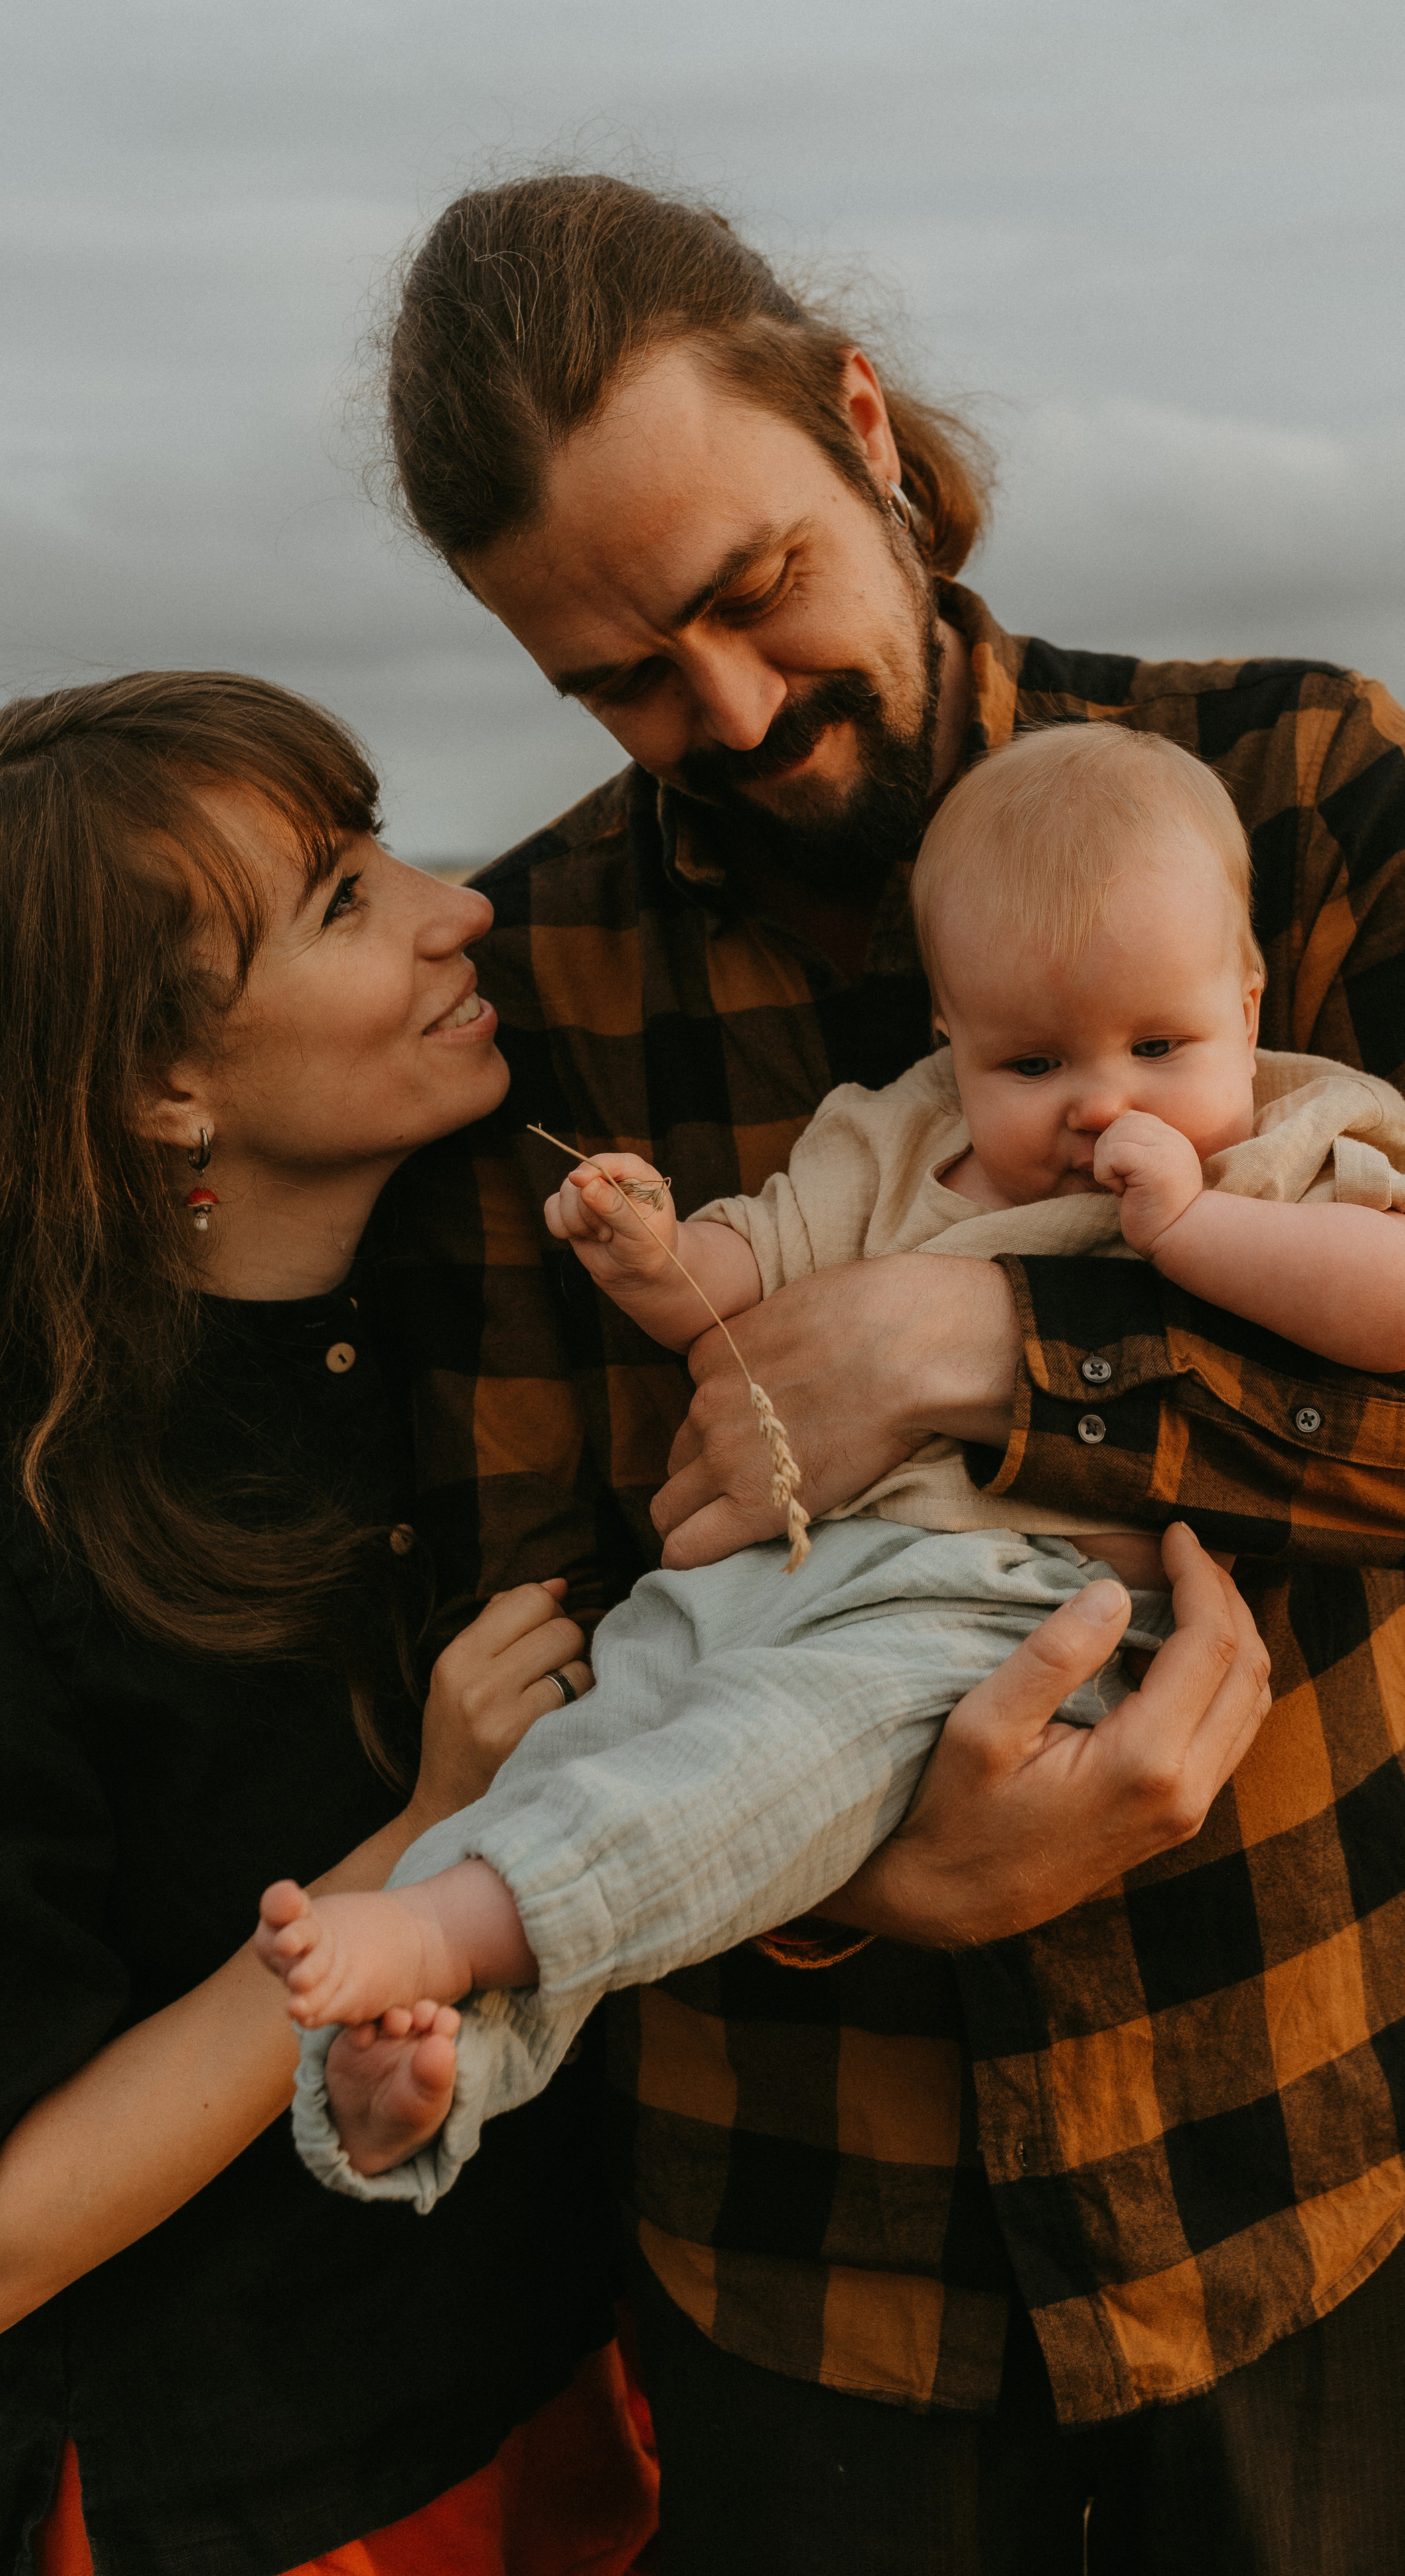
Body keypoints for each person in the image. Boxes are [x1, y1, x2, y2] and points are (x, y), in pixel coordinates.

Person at [303, 171, 1405, 2572]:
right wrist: (856, 1879)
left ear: (860, 423)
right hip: (811, 2221)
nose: (724, 713)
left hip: (1311, 2097)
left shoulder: (1291, 784)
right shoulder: (538, 981)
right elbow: (541, 1601)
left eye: (750, 590)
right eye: (620, 676)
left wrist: (1001, 1343)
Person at [0, 674, 1266, 2576]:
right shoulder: (39, 1512)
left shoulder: (481, 1292)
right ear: (160, 1084)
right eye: (344, 899)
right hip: (257, 2483)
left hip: (580, 2375)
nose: (460, 908)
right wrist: (430, 1833)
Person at [254, 723, 1405, 2129]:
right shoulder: (890, 1139)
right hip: (785, 1577)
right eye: (1029, 1062)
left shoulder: (1283, 1132)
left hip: (1000, 1608)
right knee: (613, 1731)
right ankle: (439, 2064)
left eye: (1156, 1043)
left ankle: (443, 1936)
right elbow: (743, 1275)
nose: (1099, 1102)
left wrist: (1195, 1225)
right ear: (949, 1034)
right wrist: (650, 1252)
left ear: (1245, 999)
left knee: (749, 1764)